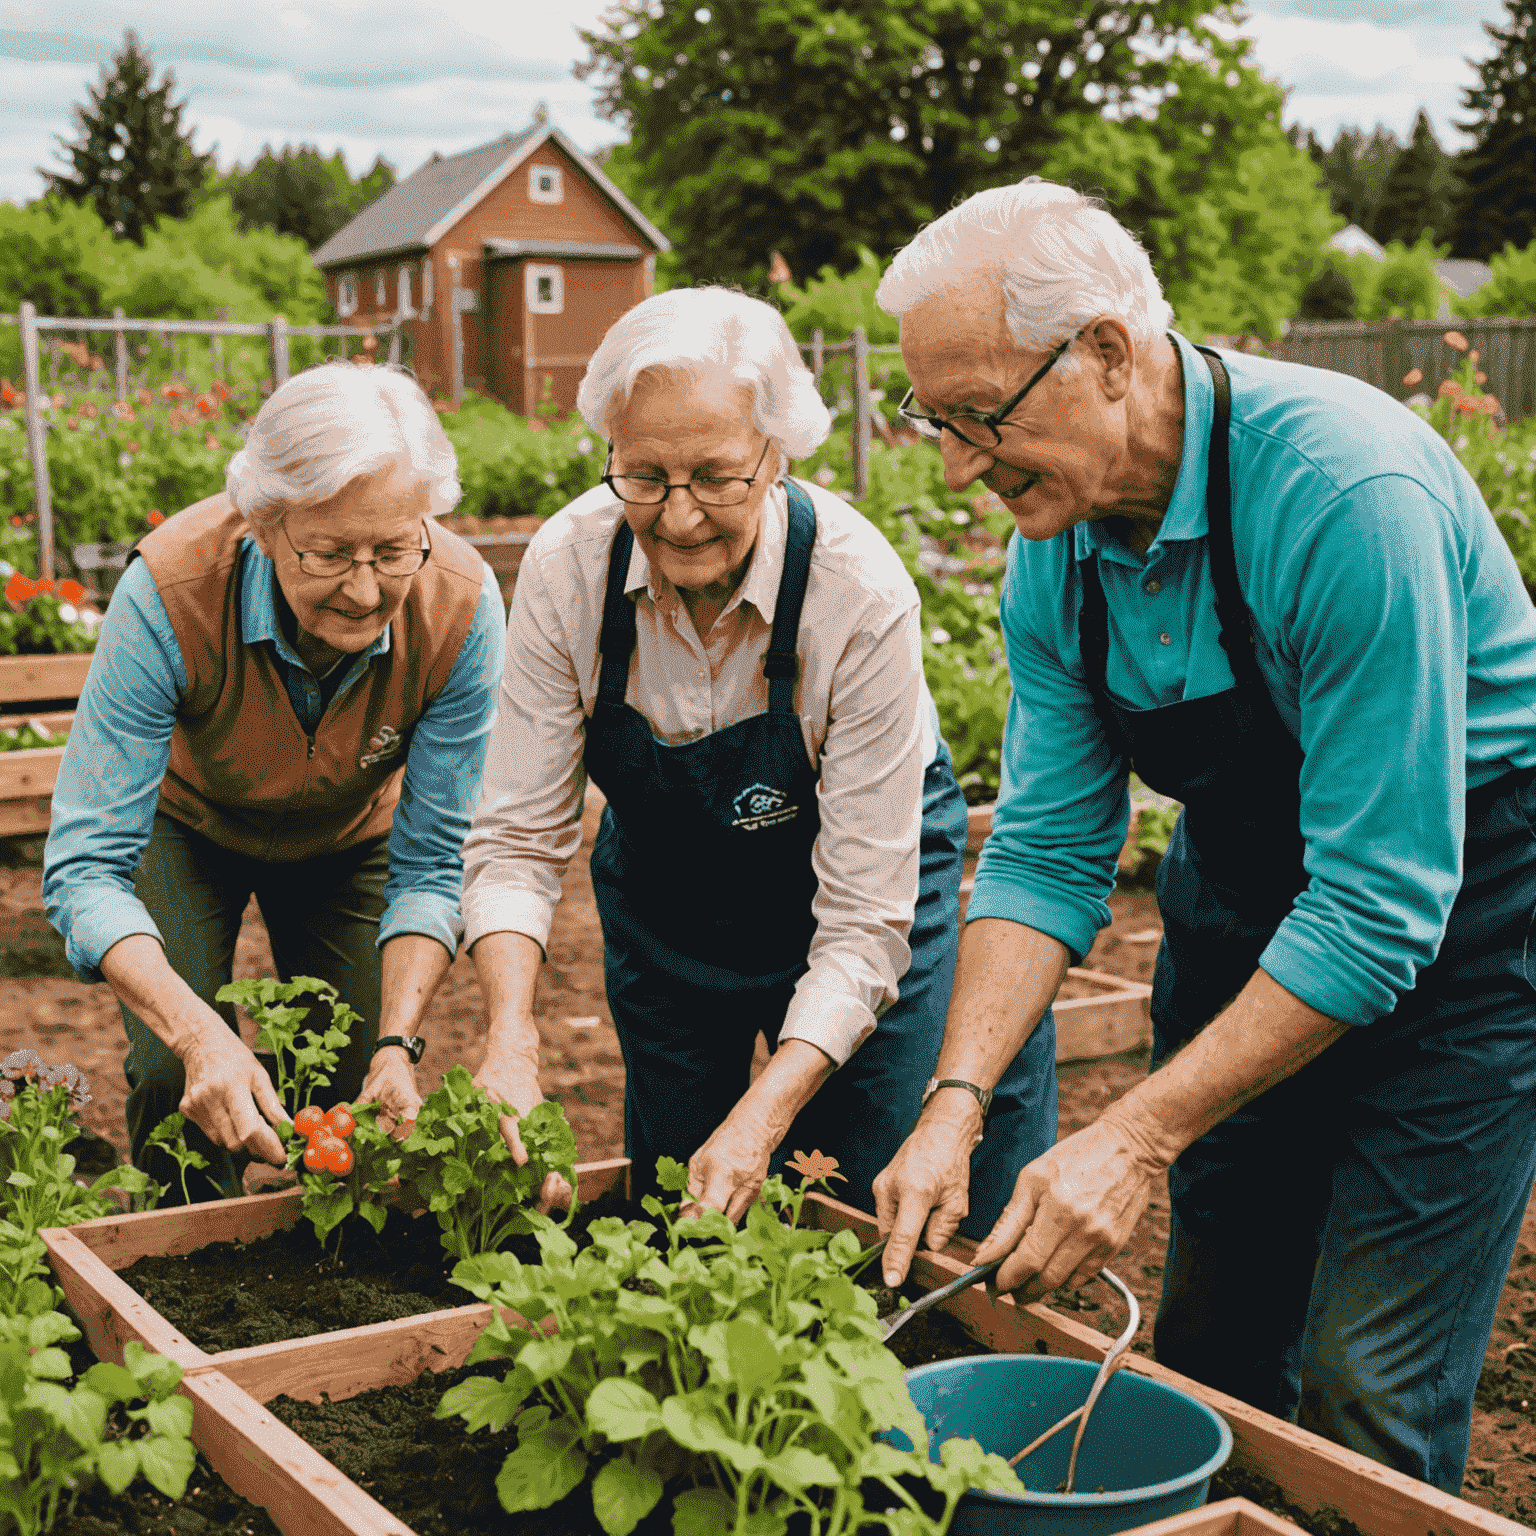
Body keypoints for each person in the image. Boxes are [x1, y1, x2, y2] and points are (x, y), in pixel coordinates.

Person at [869, 177, 1536, 1494]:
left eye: (981, 418)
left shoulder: (1344, 493)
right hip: (1245, 899)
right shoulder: (1056, 542)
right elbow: (1053, 846)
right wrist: (954, 1101)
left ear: (1108, 352)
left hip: (1468, 928)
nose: (956, 464)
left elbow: (1384, 898)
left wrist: (1135, 1133)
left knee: (1369, 1384)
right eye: (931, 422)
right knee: (1216, 1348)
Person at [460, 286, 1051, 1224]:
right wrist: (509, 1040)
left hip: (853, 899)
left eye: (716, 477)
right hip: (669, 908)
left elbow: (863, 922)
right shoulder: (570, 568)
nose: (679, 516)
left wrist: (764, 1115)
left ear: (776, 456)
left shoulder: (856, 593)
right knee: (674, 1198)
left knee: (854, 1190)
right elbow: (518, 839)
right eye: (643, 474)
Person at [43, 363, 506, 1204]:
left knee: (361, 1084)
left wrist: (399, 1047)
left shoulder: (461, 609)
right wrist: (198, 1036)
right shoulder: (172, 591)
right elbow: (85, 867)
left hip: (350, 840)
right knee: (171, 1080)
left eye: (393, 550)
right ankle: (178, 1297)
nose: (366, 590)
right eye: (330, 552)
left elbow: (435, 862)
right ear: (264, 524)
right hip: (184, 825)